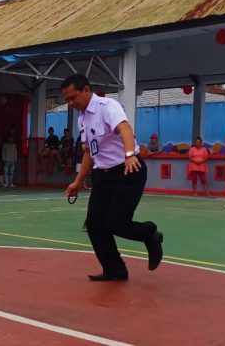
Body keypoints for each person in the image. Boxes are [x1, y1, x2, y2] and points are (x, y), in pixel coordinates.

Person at [62, 73, 163, 282]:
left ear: (87, 90)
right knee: (95, 224)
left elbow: (124, 128)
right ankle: (115, 269)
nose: (71, 103)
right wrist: (78, 181)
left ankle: (150, 234)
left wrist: (129, 155)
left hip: (128, 170)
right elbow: (90, 151)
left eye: (73, 98)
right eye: (67, 100)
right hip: (103, 174)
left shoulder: (108, 107)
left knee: (117, 223)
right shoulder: (82, 117)